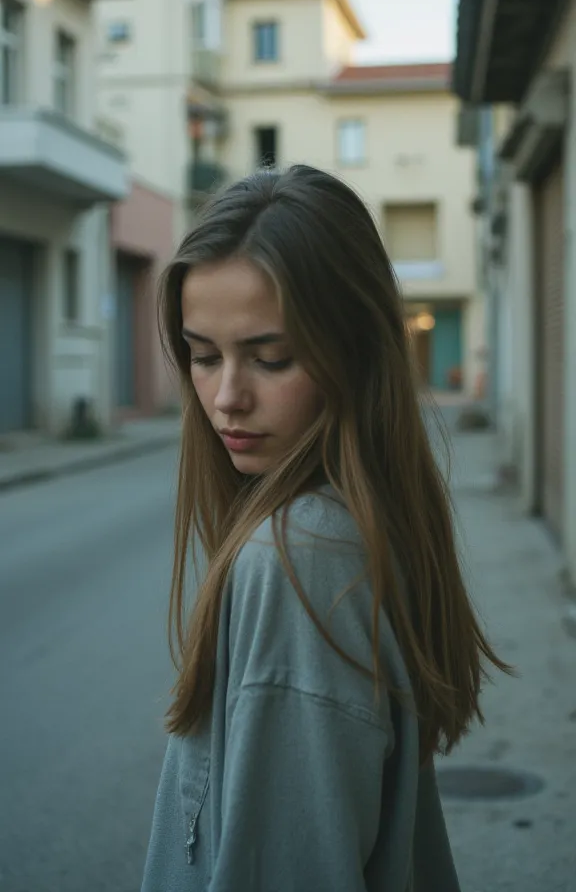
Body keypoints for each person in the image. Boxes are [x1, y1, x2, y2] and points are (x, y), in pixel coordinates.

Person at [141, 164, 510, 892]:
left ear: (356, 354)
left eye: (270, 357)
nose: (225, 398)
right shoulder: (350, 526)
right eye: (203, 355)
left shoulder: (296, 560)